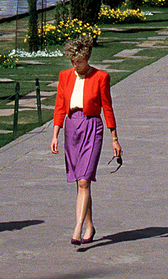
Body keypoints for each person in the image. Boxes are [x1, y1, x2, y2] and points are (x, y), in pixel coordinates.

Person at [51, 35, 121, 246]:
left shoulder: (101, 77)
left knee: (84, 180)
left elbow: (107, 108)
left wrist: (114, 139)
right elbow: (59, 106)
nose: (75, 65)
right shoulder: (64, 76)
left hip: (92, 127)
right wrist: (55, 134)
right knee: (81, 181)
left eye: (79, 61)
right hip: (71, 127)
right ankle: (90, 225)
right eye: (72, 61)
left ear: (87, 57)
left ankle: (77, 227)